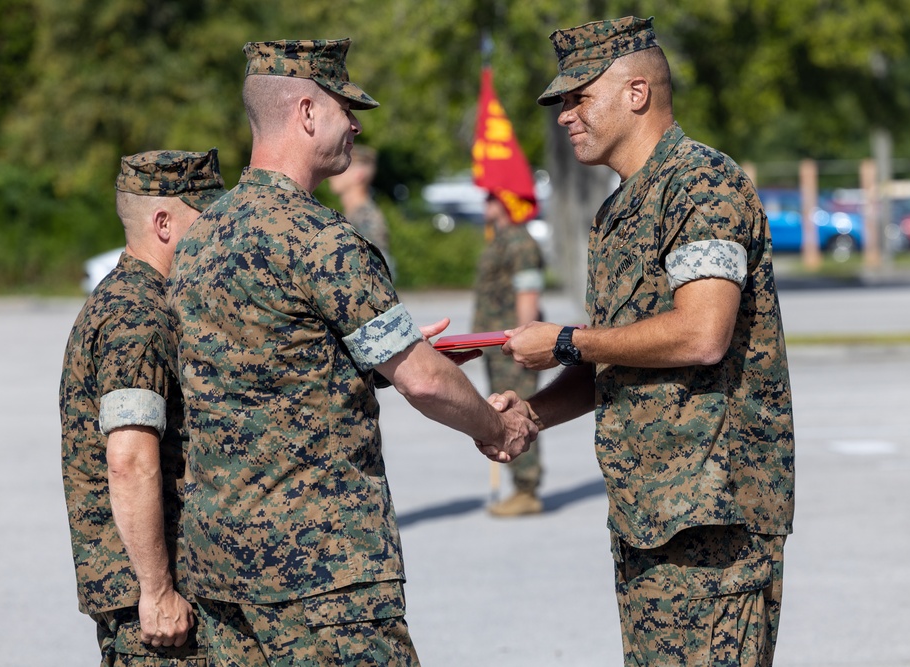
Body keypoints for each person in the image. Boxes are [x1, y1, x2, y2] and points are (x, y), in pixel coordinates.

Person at [166, 38, 536, 666]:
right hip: (320, 571)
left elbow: (270, 370)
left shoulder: (199, 240)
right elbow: (423, 380)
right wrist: (495, 425)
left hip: (219, 565)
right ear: (307, 112)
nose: (356, 124)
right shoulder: (323, 242)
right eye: (345, 108)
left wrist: (386, 362)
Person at [496, 17, 795, 665]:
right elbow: (613, 350)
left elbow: (702, 332)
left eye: (580, 97)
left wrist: (567, 339)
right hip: (647, 514)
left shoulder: (701, 184)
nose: (565, 116)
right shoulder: (620, 210)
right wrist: (531, 415)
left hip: (713, 519)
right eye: (562, 103)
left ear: (637, 93)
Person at [59, 149, 226, 666]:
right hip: (154, 603)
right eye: (207, 219)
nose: (219, 232)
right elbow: (128, 459)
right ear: (163, 223)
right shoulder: (138, 316)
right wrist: (156, 592)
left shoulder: (143, 300)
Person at [472, 190, 547, 517]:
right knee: (503, 411)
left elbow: (527, 294)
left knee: (520, 412)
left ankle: (526, 488)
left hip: (512, 346)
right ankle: (519, 484)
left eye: (491, 198)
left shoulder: (518, 242)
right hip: (497, 346)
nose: (485, 204)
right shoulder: (500, 239)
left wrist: (524, 341)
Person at [327, 143, 394, 274]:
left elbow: (378, 272)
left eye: (341, 167)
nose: (333, 173)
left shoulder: (366, 217)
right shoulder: (354, 214)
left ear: (359, 174)